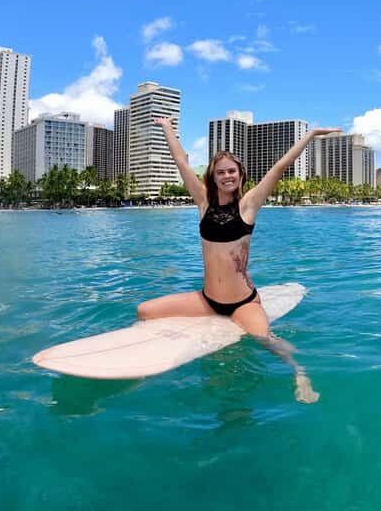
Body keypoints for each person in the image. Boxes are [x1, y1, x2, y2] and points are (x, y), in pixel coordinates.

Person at [137, 116, 340, 403]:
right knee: (145, 310)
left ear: (240, 174)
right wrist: (167, 127)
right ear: (213, 176)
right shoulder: (203, 202)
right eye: (220, 172)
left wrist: (311, 135)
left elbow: (279, 167)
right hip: (208, 299)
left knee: (265, 339)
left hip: (242, 302)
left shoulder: (248, 205)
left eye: (231, 171)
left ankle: (299, 372)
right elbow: (181, 163)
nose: (227, 176)